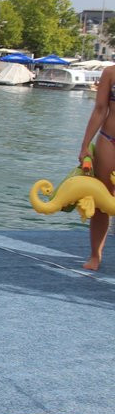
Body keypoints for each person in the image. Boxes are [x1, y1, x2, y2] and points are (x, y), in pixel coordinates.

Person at [77, 63, 115, 270]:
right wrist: (85, 146)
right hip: (109, 140)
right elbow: (100, 109)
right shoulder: (110, 72)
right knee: (103, 201)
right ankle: (95, 255)